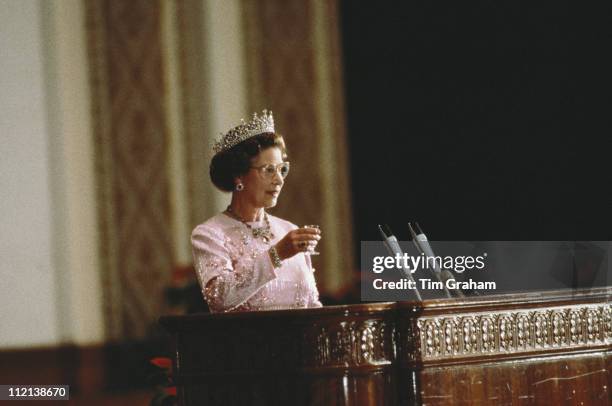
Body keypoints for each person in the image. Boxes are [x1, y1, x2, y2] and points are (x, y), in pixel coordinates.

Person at [191, 110, 323, 312]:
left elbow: (312, 305)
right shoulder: (209, 234)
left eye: (282, 169)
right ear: (238, 175)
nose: (279, 180)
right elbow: (219, 298)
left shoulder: (289, 230)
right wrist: (277, 254)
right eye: (269, 169)